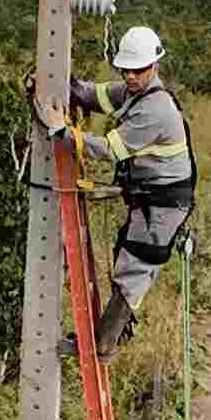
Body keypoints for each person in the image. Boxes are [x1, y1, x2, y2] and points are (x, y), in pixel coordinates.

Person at [66, 23, 192, 354]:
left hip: (163, 204)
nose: (131, 77)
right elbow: (100, 96)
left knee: (135, 266)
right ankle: (109, 333)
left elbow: (111, 148)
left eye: (139, 70)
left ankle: (103, 344)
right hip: (149, 196)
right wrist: (71, 87)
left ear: (155, 66)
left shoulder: (156, 109)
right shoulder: (137, 93)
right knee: (126, 255)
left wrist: (62, 134)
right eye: (126, 70)